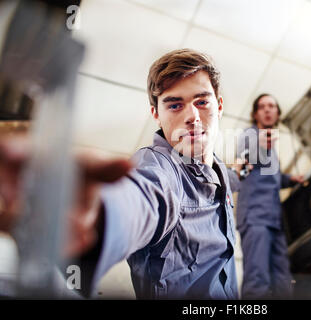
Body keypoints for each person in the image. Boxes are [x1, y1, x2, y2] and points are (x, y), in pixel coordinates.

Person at [0, 48, 239, 299]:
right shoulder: (158, 168)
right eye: (175, 105)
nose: (192, 116)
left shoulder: (218, 168)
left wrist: (246, 174)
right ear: (156, 114)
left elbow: (229, 181)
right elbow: (140, 198)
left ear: (219, 106)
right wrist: (99, 216)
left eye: (201, 102)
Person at [233, 93, 303, 299]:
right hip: (255, 217)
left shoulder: (272, 147)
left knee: (283, 279)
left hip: (274, 220)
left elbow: (272, 177)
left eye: (272, 106)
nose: (267, 109)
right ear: (255, 114)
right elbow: (244, 162)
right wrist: (262, 146)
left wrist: (290, 179)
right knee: (257, 277)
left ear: (277, 113)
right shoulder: (250, 135)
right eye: (262, 106)